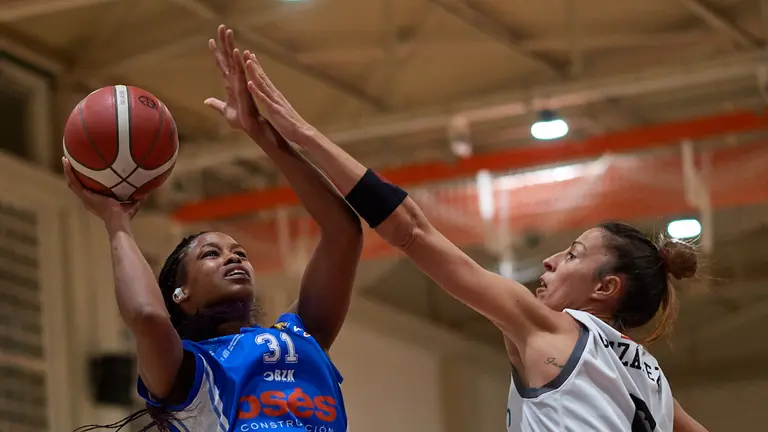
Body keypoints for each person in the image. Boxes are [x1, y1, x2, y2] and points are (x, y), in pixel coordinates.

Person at [232, 26, 710, 432]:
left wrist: (300, 133)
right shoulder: (653, 380)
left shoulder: (547, 325)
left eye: (573, 253)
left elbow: (413, 231)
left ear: (606, 287)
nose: (550, 260)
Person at [70, 26, 362, 432]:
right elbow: (148, 318)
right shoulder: (189, 368)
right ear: (180, 293)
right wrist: (116, 221)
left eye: (238, 250)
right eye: (212, 253)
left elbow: (344, 232)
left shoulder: (300, 335)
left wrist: (261, 132)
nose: (235, 256)